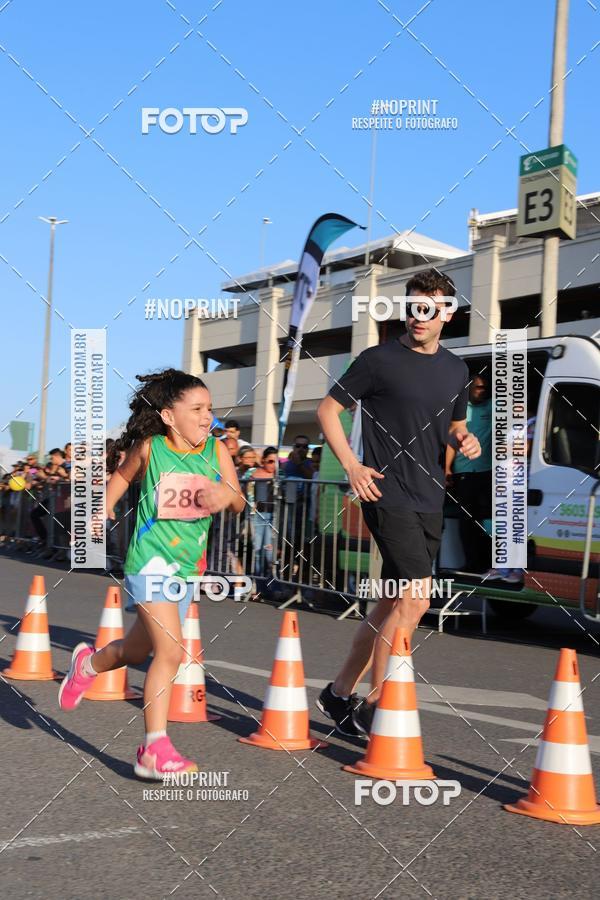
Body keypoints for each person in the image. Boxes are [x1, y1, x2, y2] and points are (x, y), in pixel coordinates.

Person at [316, 268, 481, 737]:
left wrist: (465, 438)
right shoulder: (378, 360)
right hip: (386, 492)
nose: (419, 316)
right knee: (417, 596)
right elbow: (327, 410)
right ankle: (377, 706)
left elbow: (453, 425)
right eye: (413, 306)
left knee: (390, 604)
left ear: (447, 312)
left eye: (429, 307)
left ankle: (338, 694)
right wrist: (351, 465)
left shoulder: (456, 369)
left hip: (430, 498)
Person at [58, 368, 244, 778]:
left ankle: (86, 665)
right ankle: (153, 750)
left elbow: (238, 501)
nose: (205, 417)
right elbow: (122, 476)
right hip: (149, 564)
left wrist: (224, 495)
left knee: (135, 652)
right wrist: (100, 510)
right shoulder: (151, 447)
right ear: (168, 415)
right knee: (172, 653)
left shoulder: (217, 452)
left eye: (209, 409)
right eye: (195, 409)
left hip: (184, 569)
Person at [445, 373, 492, 574]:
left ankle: (491, 564)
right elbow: (451, 443)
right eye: (477, 387)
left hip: (487, 473)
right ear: (469, 389)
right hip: (464, 473)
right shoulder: (461, 411)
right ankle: (472, 565)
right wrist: (446, 469)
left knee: (488, 520)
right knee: (468, 523)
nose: (481, 391)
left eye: (484, 388)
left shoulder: (493, 406)